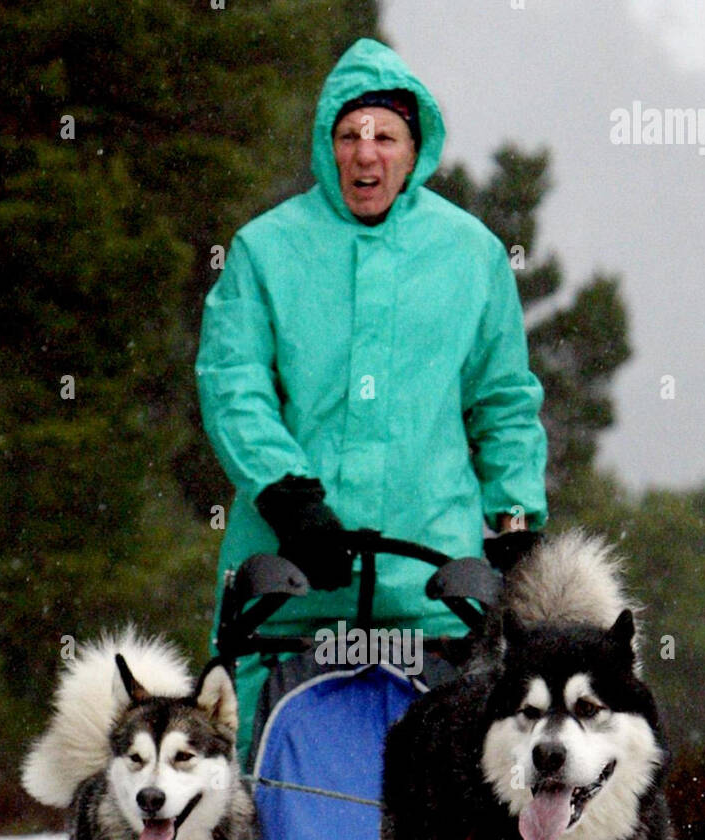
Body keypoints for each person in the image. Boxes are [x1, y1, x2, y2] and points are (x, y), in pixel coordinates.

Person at [196, 38, 548, 763]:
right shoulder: (264, 251)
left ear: (415, 148)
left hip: (434, 592)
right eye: (349, 135)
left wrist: (513, 523)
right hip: (288, 587)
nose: (366, 154)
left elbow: (504, 399)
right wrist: (289, 499)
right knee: (267, 797)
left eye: (385, 136)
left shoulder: (471, 255)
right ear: (326, 147)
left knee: (442, 806)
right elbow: (233, 384)